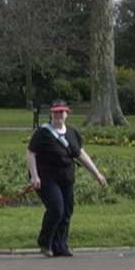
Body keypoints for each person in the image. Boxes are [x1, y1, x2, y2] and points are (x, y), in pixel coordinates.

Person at [26, 99, 107, 257]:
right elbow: (30, 153)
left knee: (67, 211)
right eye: (56, 112)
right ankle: (45, 242)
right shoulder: (42, 133)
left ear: (67, 114)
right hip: (46, 178)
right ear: (51, 114)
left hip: (66, 178)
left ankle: (60, 245)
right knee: (56, 209)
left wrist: (96, 174)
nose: (59, 115)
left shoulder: (72, 133)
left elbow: (81, 154)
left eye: (62, 112)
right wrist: (34, 176)